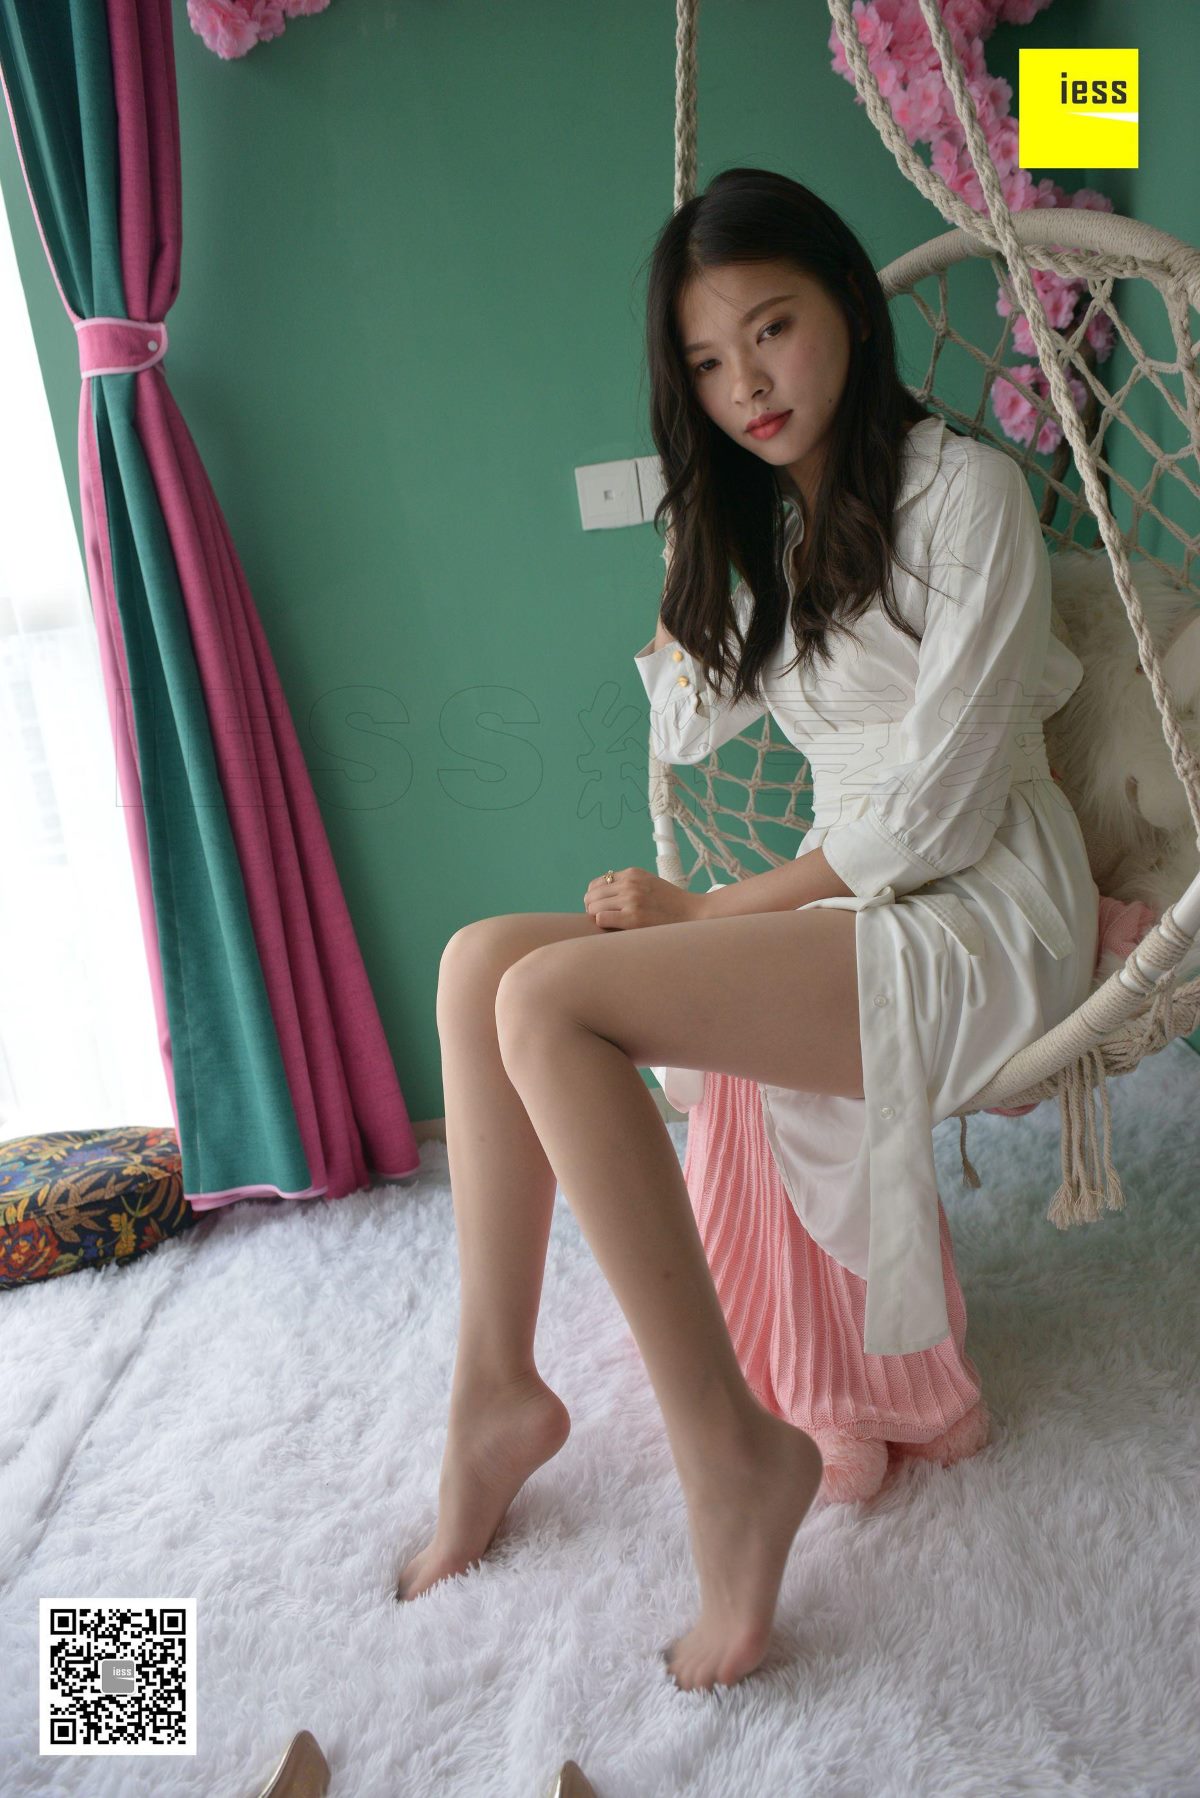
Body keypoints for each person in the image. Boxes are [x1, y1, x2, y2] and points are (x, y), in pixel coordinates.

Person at [395, 167, 1099, 1698]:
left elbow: (936, 817)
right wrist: (697, 532)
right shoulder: (785, 528)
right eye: (708, 364)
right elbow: (692, 720)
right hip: (843, 897)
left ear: (845, 299)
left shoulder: (969, 494)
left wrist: (707, 912)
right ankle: (495, 1390)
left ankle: (731, 1455)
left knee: (554, 1005)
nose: (748, 385)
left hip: (978, 908)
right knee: (479, 965)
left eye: (771, 329)